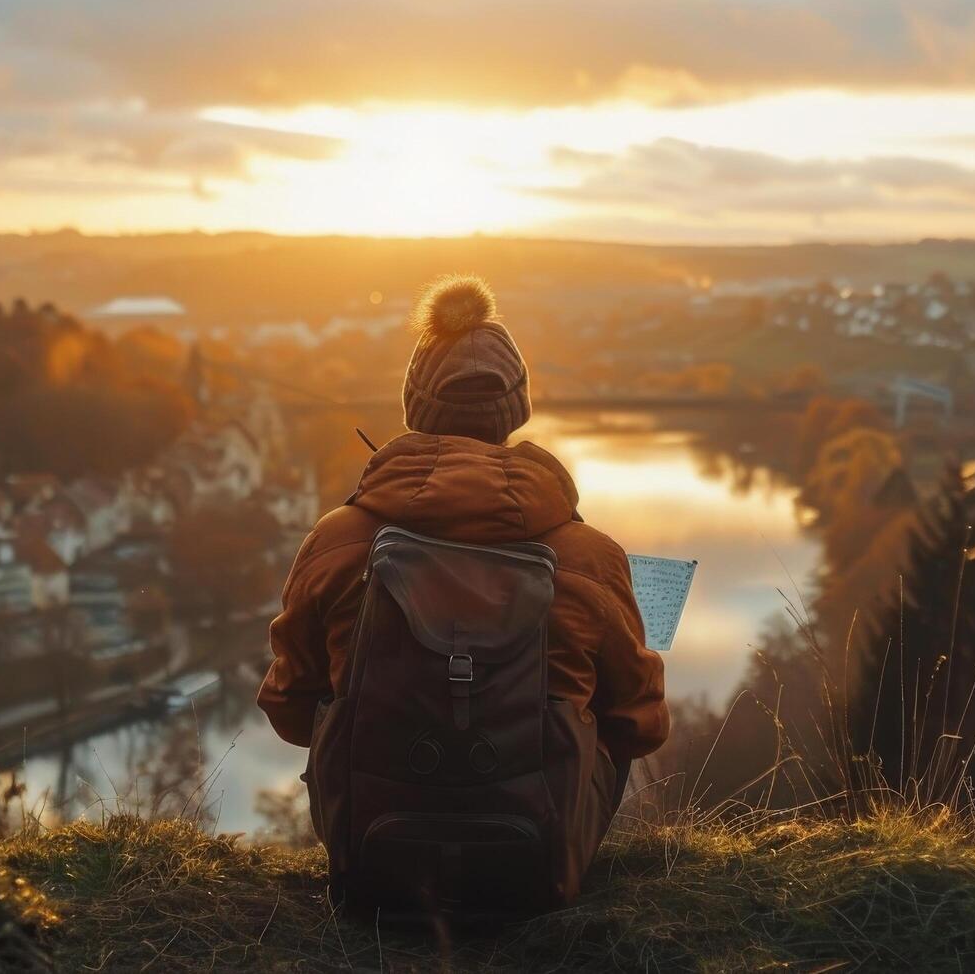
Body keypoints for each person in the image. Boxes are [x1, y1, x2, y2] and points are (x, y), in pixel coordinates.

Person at [258, 275, 668, 911]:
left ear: (415, 410)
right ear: (516, 412)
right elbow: (640, 722)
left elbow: (288, 706)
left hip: (373, 860)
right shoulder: (589, 557)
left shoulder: (338, 543)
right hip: (538, 871)